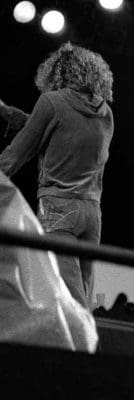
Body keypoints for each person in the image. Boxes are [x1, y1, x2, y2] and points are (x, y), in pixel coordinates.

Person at [0, 42, 114, 310]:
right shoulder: (106, 113)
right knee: (83, 297)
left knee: (68, 300)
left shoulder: (51, 102)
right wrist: (7, 112)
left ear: (57, 72)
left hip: (58, 209)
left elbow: (18, 152)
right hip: (92, 213)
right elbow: (60, 130)